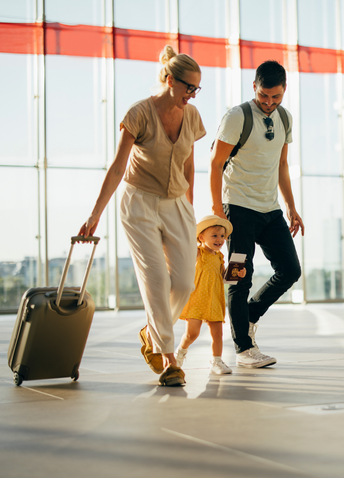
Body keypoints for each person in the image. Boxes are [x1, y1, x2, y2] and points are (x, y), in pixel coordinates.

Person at [78, 45, 206, 386]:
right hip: (140, 203)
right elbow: (119, 166)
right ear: (169, 79)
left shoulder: (192, 116)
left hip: (177, 203)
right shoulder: (139, 113)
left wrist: (191, 210)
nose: (192, 95)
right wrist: (95, 214)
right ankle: (168, 360)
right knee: (156, 280)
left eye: (197, 88)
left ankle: (152, 332)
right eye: (188, 87)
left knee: (183, 282)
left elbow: (190, 166)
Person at [209, 60, 304, 368]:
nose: (269, 103)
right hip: (237, 207)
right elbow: (215, 164)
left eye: (275, 97)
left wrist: (291, 206)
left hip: (270, 208)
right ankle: (243, 348)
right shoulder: (237, 116)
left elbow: (282, 165)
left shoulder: (285, 118)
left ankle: (249, 316)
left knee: (290, 270)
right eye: (264, 96)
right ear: (254, 87)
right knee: (239, 277)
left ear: (284, 91)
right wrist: (216, 209)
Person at [175, 215, 246, 374]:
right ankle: (181, 351)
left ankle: (216, 361)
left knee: (218, 334)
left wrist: (238, 273)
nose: (219, 239)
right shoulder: (198, 253)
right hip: (197, 298)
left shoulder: (220, 256)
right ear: (201, 237)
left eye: (222, 236)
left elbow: (224, 277)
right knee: (192, 333)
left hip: (214, 299)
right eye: (214, 235)